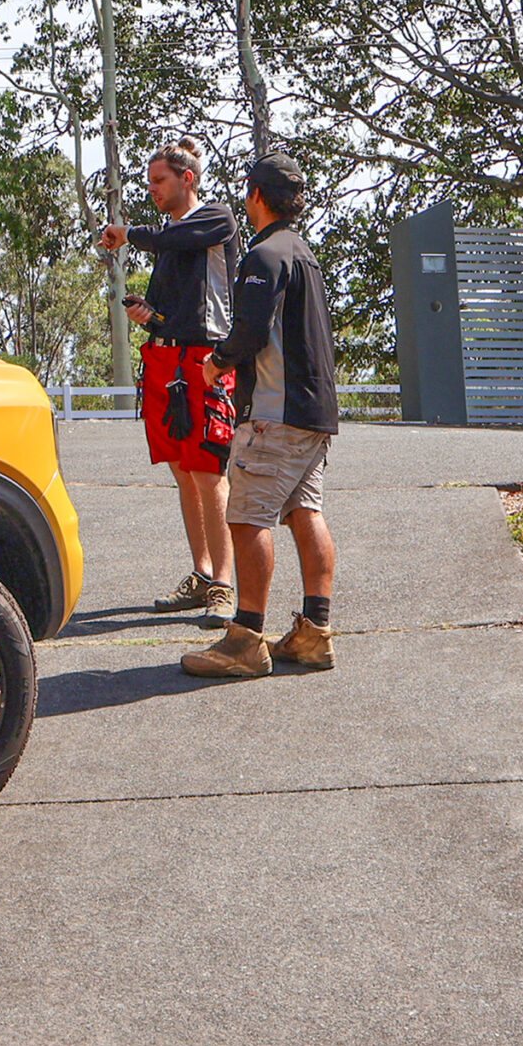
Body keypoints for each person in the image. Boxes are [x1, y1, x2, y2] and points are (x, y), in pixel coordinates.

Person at [182, 152, 340, 679]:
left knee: (247, 517)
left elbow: (251, 331)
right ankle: (314, 634)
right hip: (316, 412)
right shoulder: (306, 255)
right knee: (304, 512)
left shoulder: (265, 254)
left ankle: (246, 639)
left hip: (274, 412)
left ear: (255, 197)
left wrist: (217, 362)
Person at [95, 137, 240, 627]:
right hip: (166, 359)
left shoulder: (216, 220)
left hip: (206, 358)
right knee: (181, 469)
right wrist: (148, 317)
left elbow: (176, 238)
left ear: (187, 179)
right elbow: (169, 310)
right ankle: (201, 574)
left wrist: (127, 232)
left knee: (207, 470)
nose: (153, 189)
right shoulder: (167, 238)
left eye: (160, 181)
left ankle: (224, 583)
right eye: (151, 182)